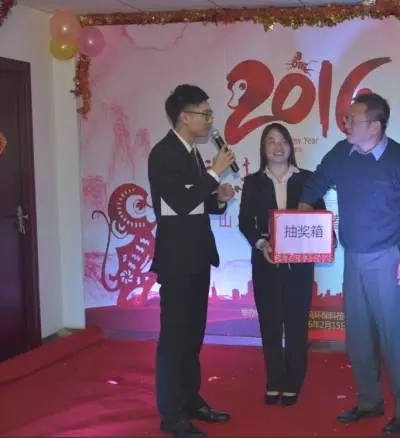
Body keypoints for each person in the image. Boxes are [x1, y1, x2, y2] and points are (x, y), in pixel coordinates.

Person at [298, 93, 400, 435]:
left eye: (352, 120)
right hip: (353, 257)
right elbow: (315, 185)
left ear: (374, 127)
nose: (346, 125)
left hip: (389, 257)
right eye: (346, 119)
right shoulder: (341, 154)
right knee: (358, 336)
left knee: (395, 336)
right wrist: (303, 221)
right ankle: (369, 401)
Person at [148, 84, 237, 438]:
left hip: (198, 256)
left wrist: (220, 198)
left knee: (192, 336)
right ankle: (172, 416)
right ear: (185, 117)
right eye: (206, 113)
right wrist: (214, 174)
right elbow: (179, 203)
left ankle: (190, 400)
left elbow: (195, 203)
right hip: (176, 261)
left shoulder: (191, 153)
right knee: (174, 338)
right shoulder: (163, 154)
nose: (211, 120)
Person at [238, 123, 328, 407]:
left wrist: (327, 237)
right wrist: (260, 243)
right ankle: (274, 379)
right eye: (271, 142)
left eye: (282, 141)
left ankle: (294, 380)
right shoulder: (253, 182)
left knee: (297, 323)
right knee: (270, 324)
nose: (277, 147)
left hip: (299, 264)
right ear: (263, 149)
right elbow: (244, 222)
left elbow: (320, 216)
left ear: (291, 146)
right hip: (266, 261)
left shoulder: (308, 179)